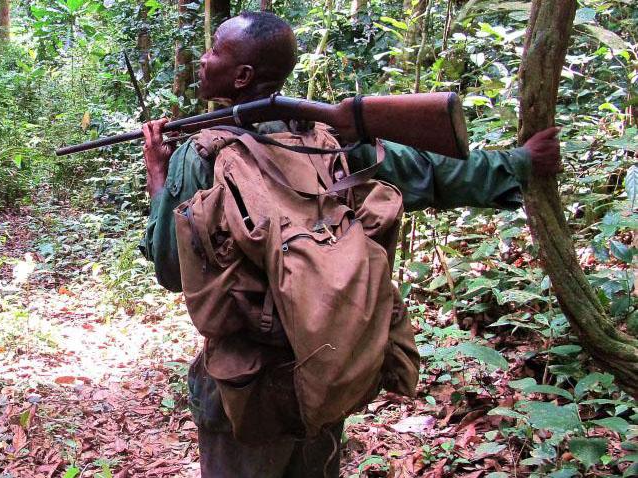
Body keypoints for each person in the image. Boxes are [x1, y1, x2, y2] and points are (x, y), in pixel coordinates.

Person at [138, 11, 562, 477]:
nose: (203, 58)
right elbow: (434, 174)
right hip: (330, 365)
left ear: (241, 76)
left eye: (215, 49)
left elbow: (171, 268)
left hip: (245, 387)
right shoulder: (329, 138)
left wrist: (159, 177)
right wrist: (520, 162)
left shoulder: (199, 156)